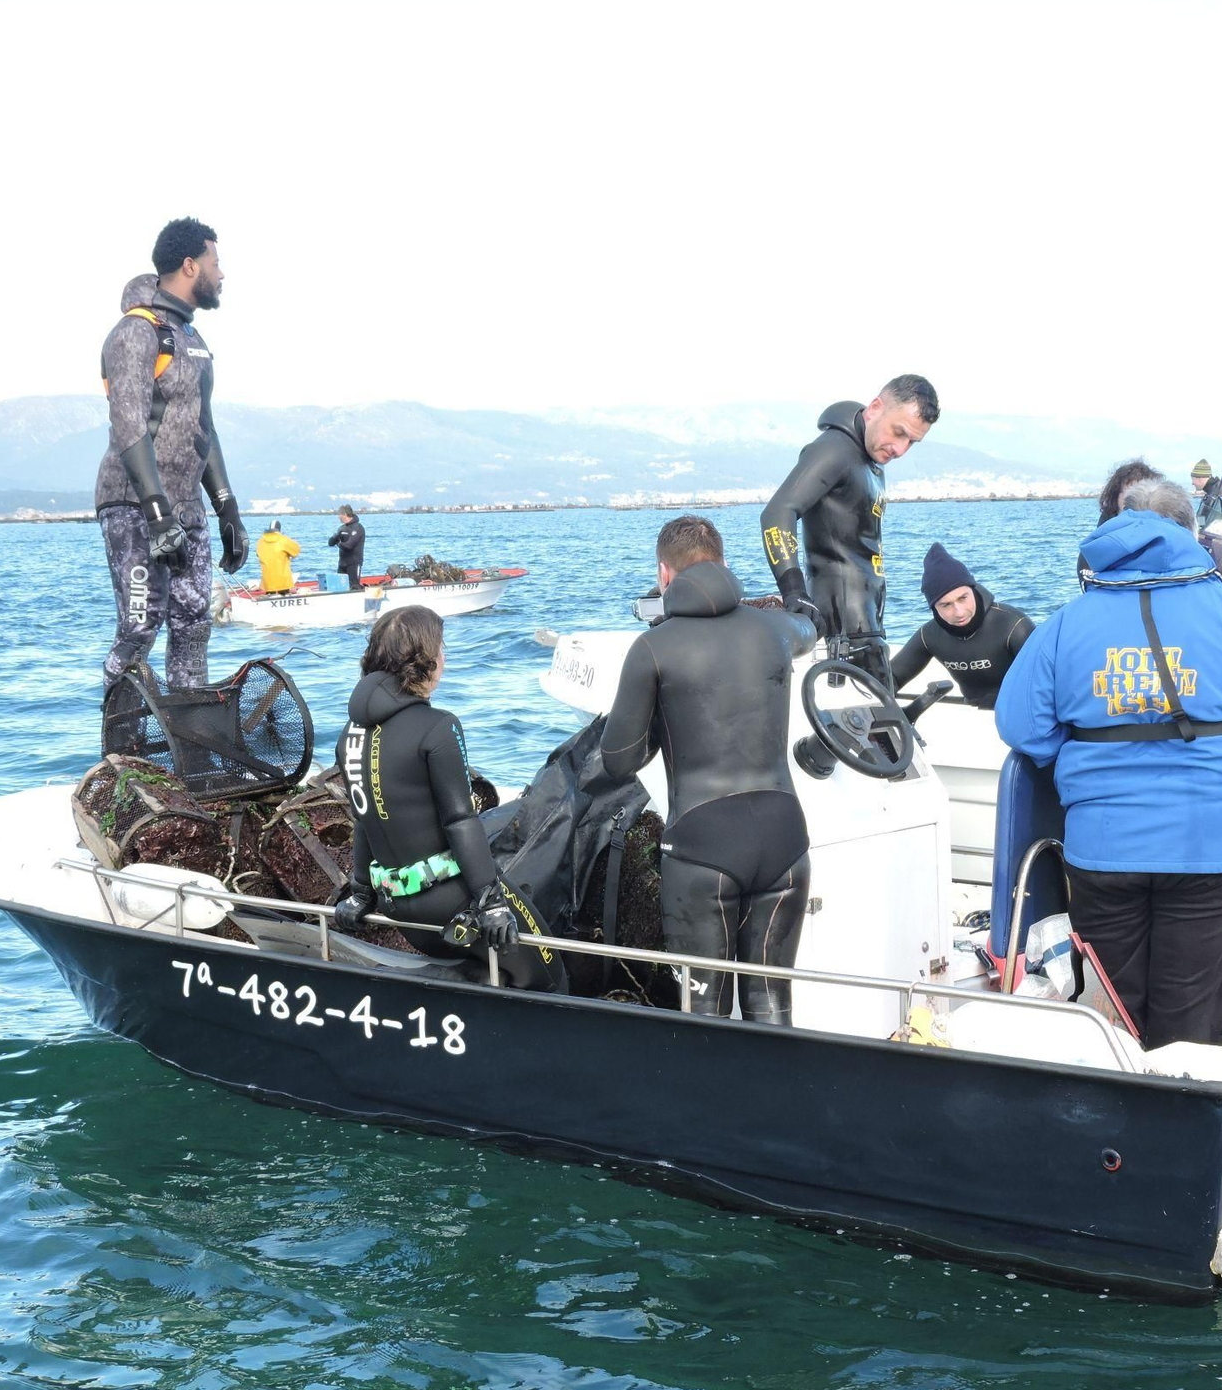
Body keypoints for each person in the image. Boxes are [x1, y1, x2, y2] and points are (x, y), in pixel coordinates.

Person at [995, 479, 1222, 1049]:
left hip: (1104, 848)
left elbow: (1021, 726)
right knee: (1189, 1024)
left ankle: (1114, 1121)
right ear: (1190, 532)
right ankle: (1180, 1117)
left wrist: (1086, 763)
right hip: (1215, 848)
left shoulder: (1066, 623)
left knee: (1115, 1016)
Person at [601, 515, 818, 1024]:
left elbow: (619, 761)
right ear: (723, 563)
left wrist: (659, 712)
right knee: (771, 1008)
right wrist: (784, 604)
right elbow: (808, 627)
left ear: (663, 575)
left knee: (703, 1018)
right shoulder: (776, 629)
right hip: (785, 838)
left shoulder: (653, 647)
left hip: (704, 848)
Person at [331, 607, 564, 992]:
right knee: (549, 975)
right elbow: (461, 821)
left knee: (482, 972)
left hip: (397, 906)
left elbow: (364, 818)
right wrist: (490, 901)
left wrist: (360, 894)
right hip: (450, 904)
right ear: (423, 661)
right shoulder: (438, 727)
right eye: (441, 649)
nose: (445, 658)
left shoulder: (348, 735)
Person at [95, 217, 250, 691]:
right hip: (135, 505)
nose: (221, 274)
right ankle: (122, 747)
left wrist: (228, 510)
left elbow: (204, 428)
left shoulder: (192, 339)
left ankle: (189, 739)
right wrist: (157, 514)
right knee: (140, 627)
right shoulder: (135, 333)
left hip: (189, 508)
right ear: (189, 265)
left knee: (193, 624)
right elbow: (128, 424)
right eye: (215, 263)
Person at [760, 375, 939, 678]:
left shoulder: (869, 454)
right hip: (844, 629)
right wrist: (794, 591)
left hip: (867, 620)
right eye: (898, 433)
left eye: (912, 442)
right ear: (875, 408)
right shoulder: (834, 450)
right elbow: (777, 513)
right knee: (878, 721)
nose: (900, 449)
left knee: (879, 720)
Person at [888, 543, 1035, 707]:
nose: (959, 612)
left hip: (1021, 713)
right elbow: (890, 678)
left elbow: (1049, 683)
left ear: (972, 589)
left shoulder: (1013, 625)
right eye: (946, 605)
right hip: (973, 716)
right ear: (933, 607)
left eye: (963, 598)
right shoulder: (929, 635)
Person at [257, 521, 302, 592]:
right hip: (283, 583)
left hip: (267, 583)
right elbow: (297, 550)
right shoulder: (283, 539)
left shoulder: (260, 541)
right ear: (279, 529)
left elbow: (258, 554)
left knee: (270, 593)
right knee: (283, 592)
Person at [328, 505, 366, 591]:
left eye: (339, 514)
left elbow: (349, 546)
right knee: (340, 586)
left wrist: (338, 544)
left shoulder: (358, 527)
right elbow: (330, 543)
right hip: (342, 563)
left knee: (354, 586)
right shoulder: (342, 528)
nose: (338, 517)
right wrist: (335, 537)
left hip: (354, 562)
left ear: (344, 514)